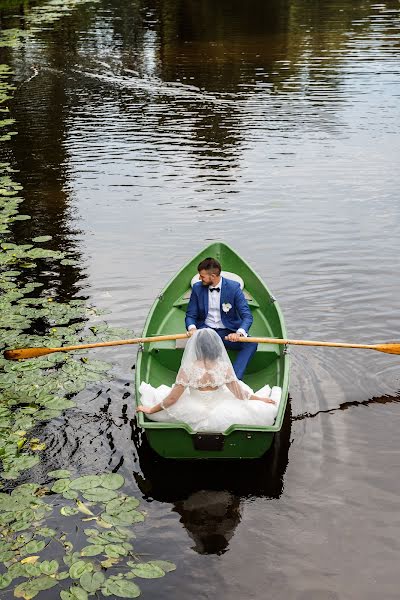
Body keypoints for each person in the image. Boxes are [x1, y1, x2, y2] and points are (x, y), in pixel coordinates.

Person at [137, 329, 280, 433]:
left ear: (196, 347)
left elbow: (172, 398)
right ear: (216, 346)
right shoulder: (223, 367)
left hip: (194, 408)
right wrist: (259, 399)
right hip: (221, 407)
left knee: (160, 399)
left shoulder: (188, 369)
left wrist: (151, 409)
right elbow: (239, 394)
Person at [185, 257, 257, 380]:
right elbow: (191, 315)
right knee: (199, 346)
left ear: (213, 276)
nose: (199, 278)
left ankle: (234, 379)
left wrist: (239, 333)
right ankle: (204, 378)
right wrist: (192, 328)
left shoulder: (234, 288)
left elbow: (247, 316)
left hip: (228, 332)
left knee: (251, 344)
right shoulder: (197, 288)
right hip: (206, 332)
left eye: (202, 276)